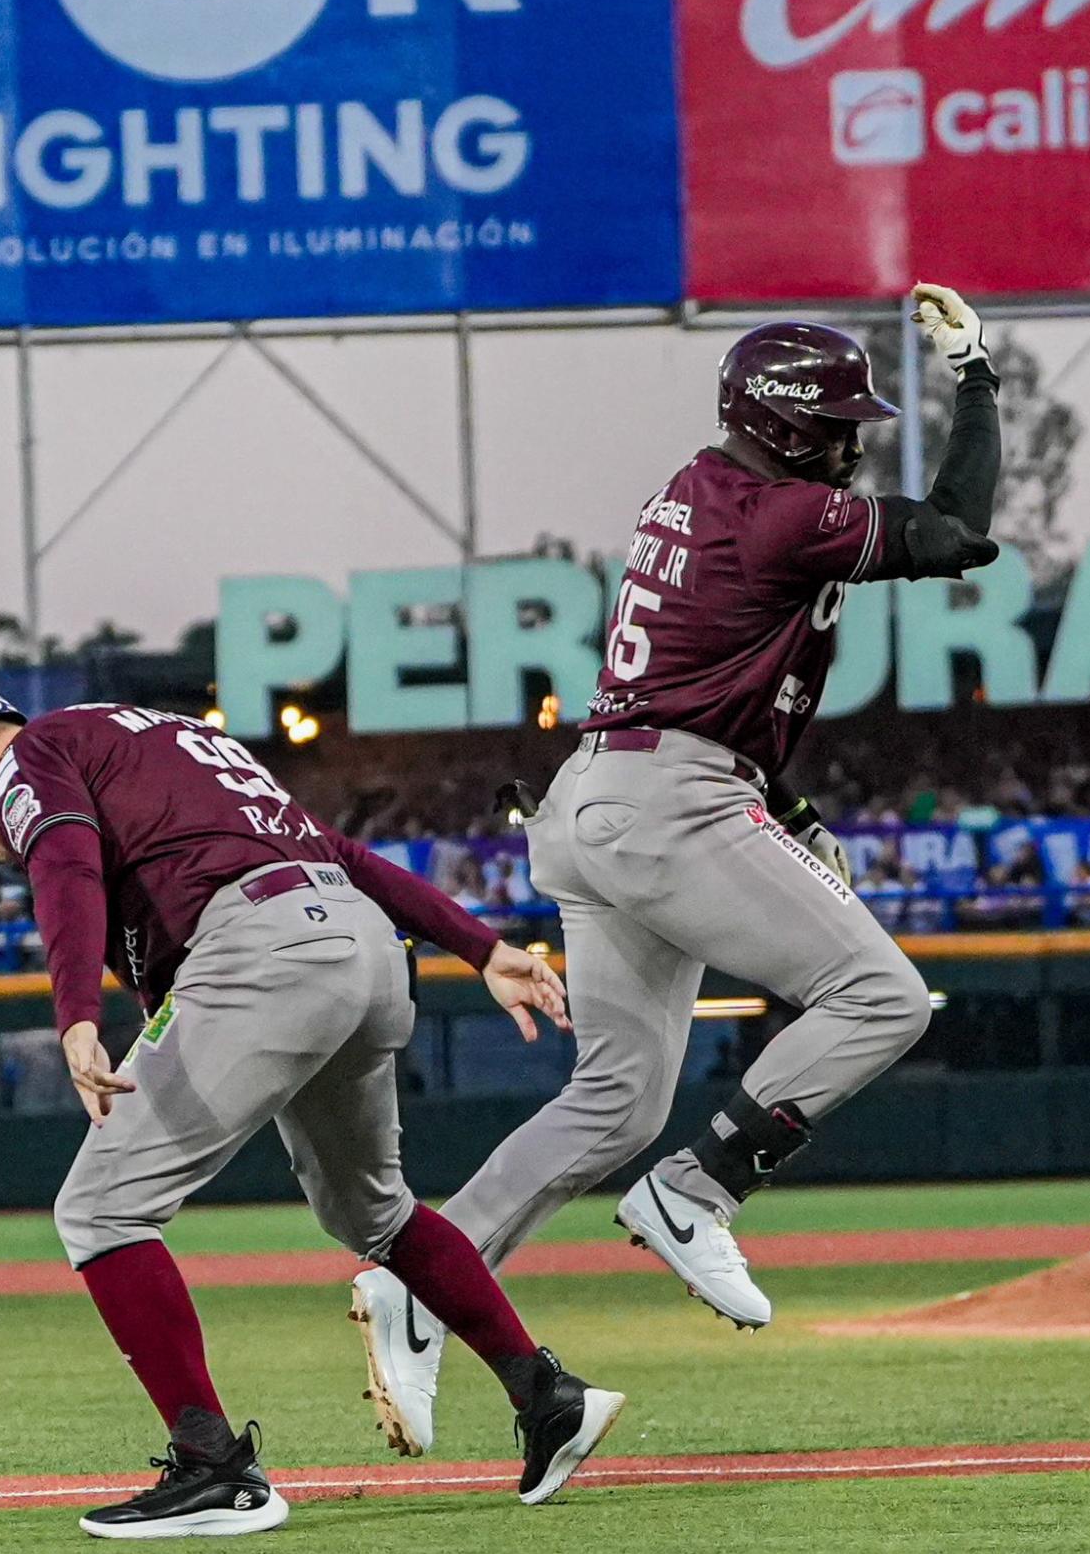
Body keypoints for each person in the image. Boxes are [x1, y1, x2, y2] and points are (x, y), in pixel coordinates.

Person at [351, 282, 1003, 1455]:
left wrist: (786, 802)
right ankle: (695, 1190)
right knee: (884, 997)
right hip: (667, 801)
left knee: (615, 1099)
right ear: (794, 422)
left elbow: (707, 674)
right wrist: (976, 380)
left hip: (604, 794)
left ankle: (420, 1279)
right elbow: (961, 531)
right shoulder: (781, 511)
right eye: (843, 420)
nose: (854, 441)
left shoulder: (691, 491)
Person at [0, 687, 624, 1537]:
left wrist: (75, 1014)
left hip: (264, 949)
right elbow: (343, 850)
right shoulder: (167, 739)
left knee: (99, 1208)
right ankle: (547, 1397)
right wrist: (480, 945)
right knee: (372, 1210)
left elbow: (64, 857)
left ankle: (213, 1468)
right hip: (361, 945)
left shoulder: (35, 752)